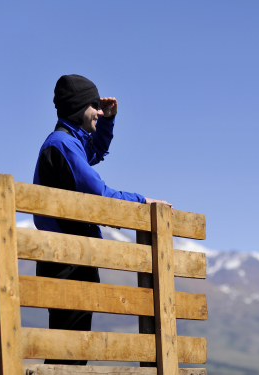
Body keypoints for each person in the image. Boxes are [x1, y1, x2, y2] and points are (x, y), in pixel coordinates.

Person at [33, 74, 171, 365]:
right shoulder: (62, 145)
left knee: (71, 352)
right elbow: (99, 196)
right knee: (68, 355)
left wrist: (107, 121)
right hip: (67, 260)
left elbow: (93, 151)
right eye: (92, 105)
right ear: (76, 107)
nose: (98, 110)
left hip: (68, 257)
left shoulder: (68, 143)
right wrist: (143, 203)